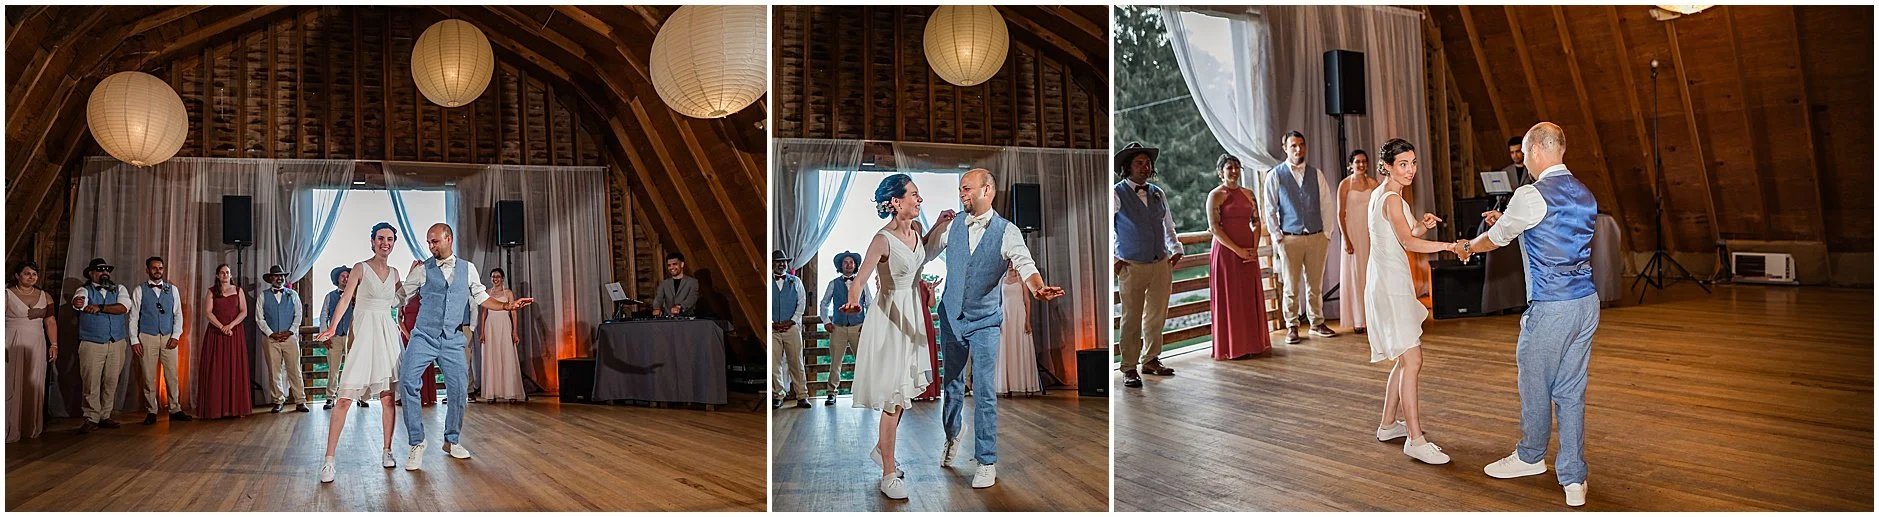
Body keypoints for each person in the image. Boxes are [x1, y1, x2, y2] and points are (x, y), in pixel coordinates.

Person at [1469, 122, 1599, 507]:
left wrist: (1466, 247)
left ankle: (1529, 457)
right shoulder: (1584, 192)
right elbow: (1544, 229)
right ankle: (1574, 479)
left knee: (1534, 384)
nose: (1524, 160)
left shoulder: (1531, 193)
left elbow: (1497, 239)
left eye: (1525, 153)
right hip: (1586, 304)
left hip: (1552, 306)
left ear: (1539, 151)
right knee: (1571, 391)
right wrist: (1507, 221)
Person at [925, 168, 1065, 490]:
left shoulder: (1008, 231)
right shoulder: (952, 226)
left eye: (966, 189)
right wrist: (934, 227)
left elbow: (1025, 264)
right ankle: (952, 434)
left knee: (986, 391)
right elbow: (928, 254)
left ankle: (986, 460)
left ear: (986, 190)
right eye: (960, 189)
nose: (961, 195)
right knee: (953, 386)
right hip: (951, 317)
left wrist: (1038, 288)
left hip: (986, 321)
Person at [388, 223, 531, 471]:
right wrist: (375, 299)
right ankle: (416, 443)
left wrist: (508, 307)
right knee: (409, 382)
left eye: (435, 241)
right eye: (428, 242)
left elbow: (483, 298)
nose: (431, 246)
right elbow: (401, 296)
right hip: (423, 335)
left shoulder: (468, 269)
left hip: (452, 339)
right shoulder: (422, 270)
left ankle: (451, 440)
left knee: (458, 391)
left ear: (448, 239)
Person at [1364, 138, 1466, 466]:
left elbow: (1404, 236)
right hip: (1390, 286)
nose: (1410, 170)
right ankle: (1415, 439)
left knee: (1404, 358)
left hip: (1387, 281)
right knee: (1413, 360)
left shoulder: (1381, 195)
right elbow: (1407, 242)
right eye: (1403, 164)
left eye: (1413, 163)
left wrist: (1421, 226)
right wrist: (1450, 246)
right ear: (1387, 167)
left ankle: (1387, 425)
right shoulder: (1392, 199)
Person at [838, 174, 940, 499]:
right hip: (890, 319)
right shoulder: (882, 239)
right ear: (896, 201)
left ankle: (883, 451)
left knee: (903, 395)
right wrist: (854, 298)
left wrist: (938, 223)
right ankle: (888, 473)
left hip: (912, 314)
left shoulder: (918, 231)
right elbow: (861, 277)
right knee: (893, 400)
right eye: (914, 194)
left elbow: (923, 256)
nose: (919, 199)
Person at [313, 223, 407, 481]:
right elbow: (345, 299)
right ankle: (329, 461)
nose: (384, 243)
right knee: (344, 398)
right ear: (372, 241)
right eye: (380, 238)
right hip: (364, 334)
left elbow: (400, 301)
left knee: (388, 398)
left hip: (387, 334)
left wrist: (413, 276)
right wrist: (332, 327)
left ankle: (387, 451)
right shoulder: (360, 268)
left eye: (389, 239)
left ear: (393, 243)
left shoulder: (396, 273)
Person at [1112, 142, 1181, 389]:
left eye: (1147, 162)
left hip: (1160, 262)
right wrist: (1114, 259)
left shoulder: (1157, 193)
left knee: (1156, 315)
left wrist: (1177, 248)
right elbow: (1106, 228)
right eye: (1138, 163)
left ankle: (1151, 359)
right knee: (1131, 319)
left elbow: (1167, 225)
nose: (1145, 167)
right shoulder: (1117, 193)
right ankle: (1129, 367)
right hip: (1132, 265)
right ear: (1127, 167)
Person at [1264, 130, 1340, 345]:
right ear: (1285, 148)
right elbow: (1269, 208)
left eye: (1301, 145)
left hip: (1316, 237)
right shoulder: (1275, 175)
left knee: (1315, 284)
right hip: (1290, 238)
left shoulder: (1316, 174)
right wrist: (1278, 237)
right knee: (1291, 285)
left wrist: (1327, 234)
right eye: (1294, 146)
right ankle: (1292, 325)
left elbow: (1326, 204)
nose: (1298, 149)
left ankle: (1317, 323)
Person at [1206, 154, 1273, 360]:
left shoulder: (1248, 194)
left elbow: (1257, 221)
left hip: (1248, 250)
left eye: (1236, 167)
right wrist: (1238, 250)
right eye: (1229, 168)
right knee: (1231, 297)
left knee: (1247, 296)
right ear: (1220, 172)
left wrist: (1253, 248)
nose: (1234, 171)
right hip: (1227, 252)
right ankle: (1233, 346)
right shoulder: (1215, 195)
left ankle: (1253, 343)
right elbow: (1215, 228)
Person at [127, 256, 192, 425]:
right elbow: (133, 317)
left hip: (168, 337)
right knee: (148, 376)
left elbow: (178, 315)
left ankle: (175, 408)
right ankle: (151, 411)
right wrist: (134, 339)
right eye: (154, 268)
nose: (158, 271)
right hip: (147, 336)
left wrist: (176, 336)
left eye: (160, 268)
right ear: (147, 270)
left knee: (172, 375)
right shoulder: (139, 290)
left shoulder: (173, 290)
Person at [71, 258, 131, 433]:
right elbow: (78, 301)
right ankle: (91, 417)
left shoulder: (120, 289)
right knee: (91, 381)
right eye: (99, 270)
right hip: (91, 342)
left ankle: (105, 415)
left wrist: (99, 307)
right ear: (91, 273)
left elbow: (123, 307)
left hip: (117, 342)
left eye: (106, 270)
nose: (104, 272)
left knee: (111, 380)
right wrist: (78, 303)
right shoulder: (84, 289)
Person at [6, 262, 57, 442]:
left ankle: (30, 427)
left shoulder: (45, 296)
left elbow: (50, 321)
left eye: (34, 274)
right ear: (17, 275)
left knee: (33, 381)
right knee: (11, 382)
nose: (31, 277)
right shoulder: (7, 294)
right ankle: (9, 427)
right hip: (11, 341)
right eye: (27, 274)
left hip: (36, 342)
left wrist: (54, 344)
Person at [198, 264, 251, 419]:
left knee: (234, 367)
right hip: (216, 333)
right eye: (222, 273)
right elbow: (208, 312)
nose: (225, 275)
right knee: (216, 369)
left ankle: (235, 408)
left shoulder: (238, 291)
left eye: (227, 272)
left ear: (230, 274)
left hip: (234, 333)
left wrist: (230, 326)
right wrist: (221, 327)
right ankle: (215, 409)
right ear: (217, 275)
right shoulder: (211, 291)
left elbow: (244, 312)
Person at [1337, 150, 1380, 335]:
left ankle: (1375, 317)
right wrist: (1346, 239)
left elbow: (1379, 210)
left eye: (1364, 161)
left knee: (1372, 276)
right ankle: (1358, 319)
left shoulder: (1373, 183)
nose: (1361, 165)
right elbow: (1340, 214)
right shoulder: (1345, 184)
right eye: (1357, 162)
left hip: (1370, 233)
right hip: (1353, 234)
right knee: (1356, 277)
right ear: (1351, 164)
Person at [818, 251, 868, 405]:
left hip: (858, 327)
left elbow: (870, 304)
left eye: (851, 262)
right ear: (840, 266)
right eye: (845, 262)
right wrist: (826, 321)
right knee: (835, 362)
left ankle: (865, 392)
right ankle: (832, 393)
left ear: (855, 265)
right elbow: (824, 303)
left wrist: (867, 324)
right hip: (838, 327)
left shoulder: (862, 283)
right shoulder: (834, 283)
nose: (848, 265)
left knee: (862, 361)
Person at [257, 265, 310, 413]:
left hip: (290, 338)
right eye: (276, 276)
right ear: (271, 278)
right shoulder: (263, 295)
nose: (280, 278)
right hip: (270, 339)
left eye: (282, 276)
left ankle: (300, 400)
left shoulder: (292, 294)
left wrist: (290, 332)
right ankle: (278, 400)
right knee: (274, 371)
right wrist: (271, 333)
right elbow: (259, 318)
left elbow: (298, 315)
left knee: (295, 369)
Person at [320, 266, 363, 410]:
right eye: (343, 276)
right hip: (335, 337)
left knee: (357, 367)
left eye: (348, 276)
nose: (345, 278)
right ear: (337, 279)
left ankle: (360, 396)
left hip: (354, 336)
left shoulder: (358, 295)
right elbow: (324, 316)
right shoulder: (330, 296)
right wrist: (325, 335)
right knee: (333, 369)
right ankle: (330, 398)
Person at [769, 251, 809, 409]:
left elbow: (802, 303)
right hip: (773, 329)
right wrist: (772, 322)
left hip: (791, 328)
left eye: (784, 262)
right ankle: (778, 394)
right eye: (778, 261)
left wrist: (792, 321)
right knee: (774, 364)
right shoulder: (768, 281)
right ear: (773, 264)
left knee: (796, 362)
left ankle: (802, 395)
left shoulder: (796, 281)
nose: (781, 264)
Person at [479, 268, 525, 402]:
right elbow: (484, 313)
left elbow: (514, 312)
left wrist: (514, 331)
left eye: (498, 276)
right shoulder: (487, 293)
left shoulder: (508, 293)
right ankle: (491, 393)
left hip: (504, 325)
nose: (495, 279)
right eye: (493, 276)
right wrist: (482, 332)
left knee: (506, 356)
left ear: (502, 278)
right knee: (492, 357)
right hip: (491, 326)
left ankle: (510, 392)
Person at [994, 262, 1040, 395]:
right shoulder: (1001, 280)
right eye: (1008, 262)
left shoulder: (1022, 279)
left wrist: (1028, 321)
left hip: (1019, 314)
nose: (1010, 265)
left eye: (1012, 262)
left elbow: (1027, 301)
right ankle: (1007, 386)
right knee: (1006, 348)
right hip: (1005, 315)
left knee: (1020, 346)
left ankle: (1025, 385)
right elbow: (998, 301)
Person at [652, 253, 699, 317]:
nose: (671, 267)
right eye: (669, 265)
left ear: (682, 264)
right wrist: (656, 308)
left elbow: (691, 298)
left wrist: (680, 307)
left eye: (674, 264)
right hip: (668, 320)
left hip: (687, 319)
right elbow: (658, 298)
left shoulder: (693, 282)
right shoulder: (664, 283)